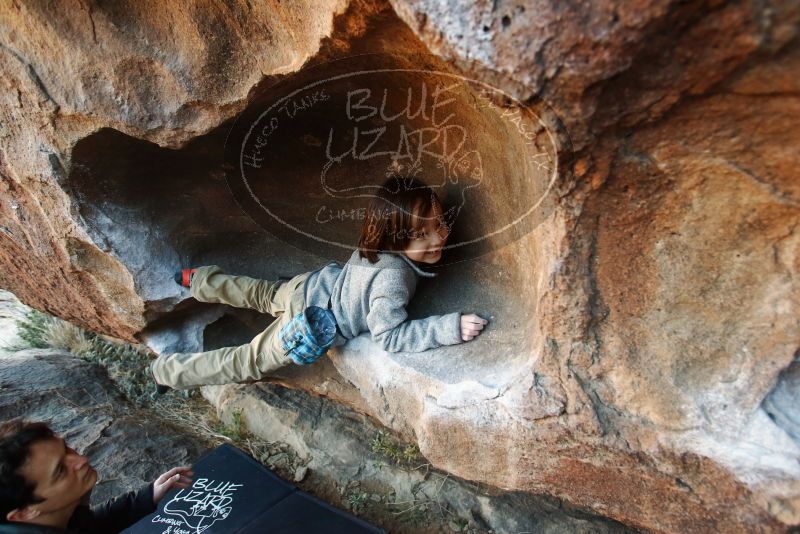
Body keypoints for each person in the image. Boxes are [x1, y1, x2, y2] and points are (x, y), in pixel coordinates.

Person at [150, 175, 489, 390]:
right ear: (394, 236)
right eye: (420, 234)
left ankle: (198, 280)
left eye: (440, 224)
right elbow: (389, 335)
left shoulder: (373, 243)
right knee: (246, 361)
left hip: (308, 287)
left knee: (261, 293)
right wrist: (449, 327)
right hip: (307, 324)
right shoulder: (394, 278)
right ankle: (168, 372)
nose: (438, 239)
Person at [0, 420, 193, 533]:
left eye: (66, 449)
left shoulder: (52, 517)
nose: (81, 460)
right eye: (60, 471)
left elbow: (90, 526)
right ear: (24, 513)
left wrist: (148, 496)